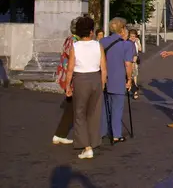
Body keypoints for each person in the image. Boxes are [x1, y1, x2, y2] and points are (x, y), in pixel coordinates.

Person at [64, 16, 107, 159]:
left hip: (80, 79)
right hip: (95, 78)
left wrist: (68, 86)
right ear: (91, 31)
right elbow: (104, 68)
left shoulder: (75, 47)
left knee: (80, 113)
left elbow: (70, 69)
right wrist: (102, 84)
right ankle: (93, 141)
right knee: (94, 113)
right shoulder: (98, 45)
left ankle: (86, 146)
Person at [99, 18, 134, 143]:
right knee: (117, 108)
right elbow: (128, 64)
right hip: (118, 79)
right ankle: (116, 134)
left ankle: (102, 131)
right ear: (122, 29)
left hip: (104, 78)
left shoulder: (102, 41)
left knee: (104, 107)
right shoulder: (127, 45)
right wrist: (129, 79)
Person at [52, 16, 81, 146]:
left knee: (71, 108)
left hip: (67, 77)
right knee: (74, 107)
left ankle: (60, 134)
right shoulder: (74, 41)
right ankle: (62, 134)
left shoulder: (70, 39)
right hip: (72, 78)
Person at [128, 29, 141, 99]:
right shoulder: (127, 42)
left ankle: (135, 91)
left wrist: (137, 42)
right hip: (128, 61)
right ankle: (130, 88)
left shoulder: (137, 41)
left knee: (135, 75)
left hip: (135, 61)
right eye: (131, 36)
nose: (132, 37)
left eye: (134, 36)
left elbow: (140, 49)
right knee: (129, 75)